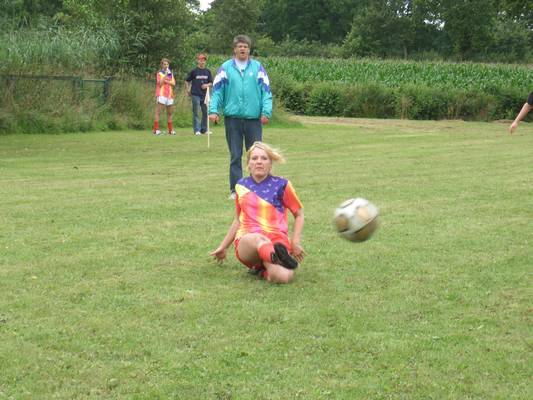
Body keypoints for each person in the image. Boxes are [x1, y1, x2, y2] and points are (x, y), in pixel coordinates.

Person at [210, 142, 305, 284]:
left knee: (284, 277)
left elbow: (299, 214)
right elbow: (238, 220)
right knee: (258, 239)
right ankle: (276, 256)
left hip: (276, 239)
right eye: (254, 158)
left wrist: (295, 242)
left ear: (271, 163)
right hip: (248, 240)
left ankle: (265, 269)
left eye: (264, 158)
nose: (259, 162)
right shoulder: (241, 185)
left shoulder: (283, 184)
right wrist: (223, 247)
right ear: (248, 164)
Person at [208, 35, 273, 199]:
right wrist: (213, 110)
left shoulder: (258, 68)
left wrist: (266, 111)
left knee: (256, 156)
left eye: (245, 46)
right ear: (234, 49)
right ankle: (236, 191)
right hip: (233, 119)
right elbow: (217, 92)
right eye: (240, 46)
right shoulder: (225, 68)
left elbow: (266, 91)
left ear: (249, 49)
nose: (243, 49)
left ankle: (258, 188)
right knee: (235, 155)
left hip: (253, 119)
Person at [185, 53, 213, 136]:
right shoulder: (194, 71)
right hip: (195, 94)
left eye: (203, 60)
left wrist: (206, 85)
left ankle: (204, 130)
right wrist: (187, 89)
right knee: (196, 112)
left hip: (205, 95)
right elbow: (187, 81)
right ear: (198, 61)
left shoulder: (208, 71)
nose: (202, 61)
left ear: (205, 61)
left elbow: (211, 83)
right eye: (200, 60)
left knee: (205, 112)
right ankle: (197, 130)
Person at [153, 58, 176, 135]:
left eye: (167, 64)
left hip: (170, 95)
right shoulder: (159, 73)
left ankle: (170, 130)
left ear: (168, 65)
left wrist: (166, 80)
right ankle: (156, 130)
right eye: (164, 64)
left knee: (169, 113)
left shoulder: (170, 73)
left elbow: (173, 83)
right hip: (161, 94)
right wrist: (165, 76)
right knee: (158, 112)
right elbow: (160, 83)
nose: (166, 66)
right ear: (162, 65)